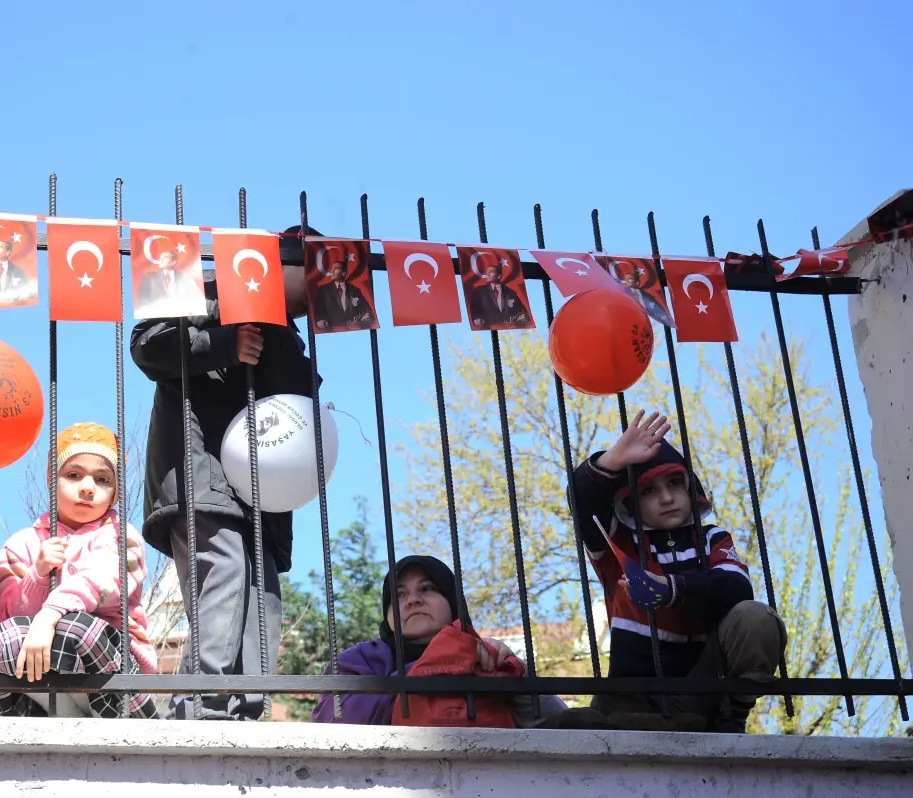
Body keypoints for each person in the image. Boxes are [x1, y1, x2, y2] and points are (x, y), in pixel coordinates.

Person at [130, 224, 320, 721]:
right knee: (226, 568)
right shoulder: (204, 285)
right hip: (200, 471)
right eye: (315, 275)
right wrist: (224, 340)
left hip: (263, 490)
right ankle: (202, 703)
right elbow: (148, 345)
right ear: (283, 265)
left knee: (264, 592)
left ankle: (248, 707)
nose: (322, 294)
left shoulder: (290, 335)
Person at [572, 410, 787, 733]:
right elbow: (582, 504)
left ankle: (733, 715)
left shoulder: (712, 537)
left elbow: (737, 588)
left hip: (702, 689)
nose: (667, 498)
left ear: (691, 488)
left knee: (756, 617)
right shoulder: (617, 541)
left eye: (675, 483)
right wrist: (612, 460)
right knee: (580, 723)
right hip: (630, 699)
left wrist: (671, 590)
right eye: (648, 490)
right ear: (630, 502)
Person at [0, 422, 158, 718]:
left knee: (77, 627)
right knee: (5, 637)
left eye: (103, 479)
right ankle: (52, 718)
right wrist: (39, 575)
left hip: (110, 663)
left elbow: (106, 584)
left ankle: (118, 717)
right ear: (52, 483)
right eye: (73, 475)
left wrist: (49, 615)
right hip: (46, 676)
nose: (88, 487)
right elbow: (11, 614)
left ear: (115, 492)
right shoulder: (21, 544)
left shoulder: (122, 536)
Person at [312, 555, 567, 726]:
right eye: (399, 595)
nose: (412, 600)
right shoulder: (359, 660)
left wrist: (512, 669)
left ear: (452, 601)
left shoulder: (487, 656)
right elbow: (333, 721)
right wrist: (442, 662)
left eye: (427, 589)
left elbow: (557, 723)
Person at [313, 252, 374, 331]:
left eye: (336, 268)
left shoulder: (354, 290)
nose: (332, 271)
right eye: (332, 268)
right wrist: (320, 320)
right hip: (331, 330)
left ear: (344, 273)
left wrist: (367, 315)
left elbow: (367, 309)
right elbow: (318, 310)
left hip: (354, 331)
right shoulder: (324, 290)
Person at [136, 249, 207, 316]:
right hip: (156, 316)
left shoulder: (184, 278)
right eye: (160, 258)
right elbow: (142, 298)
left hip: (182, 317)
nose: (161, 260)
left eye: (165, 258)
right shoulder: (149, 277)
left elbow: (195, 297)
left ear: (173, 262)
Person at [468, 260, 530, 328]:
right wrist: (477, 318)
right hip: (487, 329)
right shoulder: (480, 291)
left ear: (499, 276)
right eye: (487, 272)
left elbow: (521, 311)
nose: (487, 274)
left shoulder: (510, 292)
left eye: (491, 272)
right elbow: (474, 308)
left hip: (508, 331)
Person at [612, 262, 674, 327]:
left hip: (649, 323)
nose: (627, 281)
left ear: (637, 282)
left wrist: (664, 317)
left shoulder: (647, 295)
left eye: (629, 279)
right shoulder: (624, 293)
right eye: (625, 279)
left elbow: (657, 309)